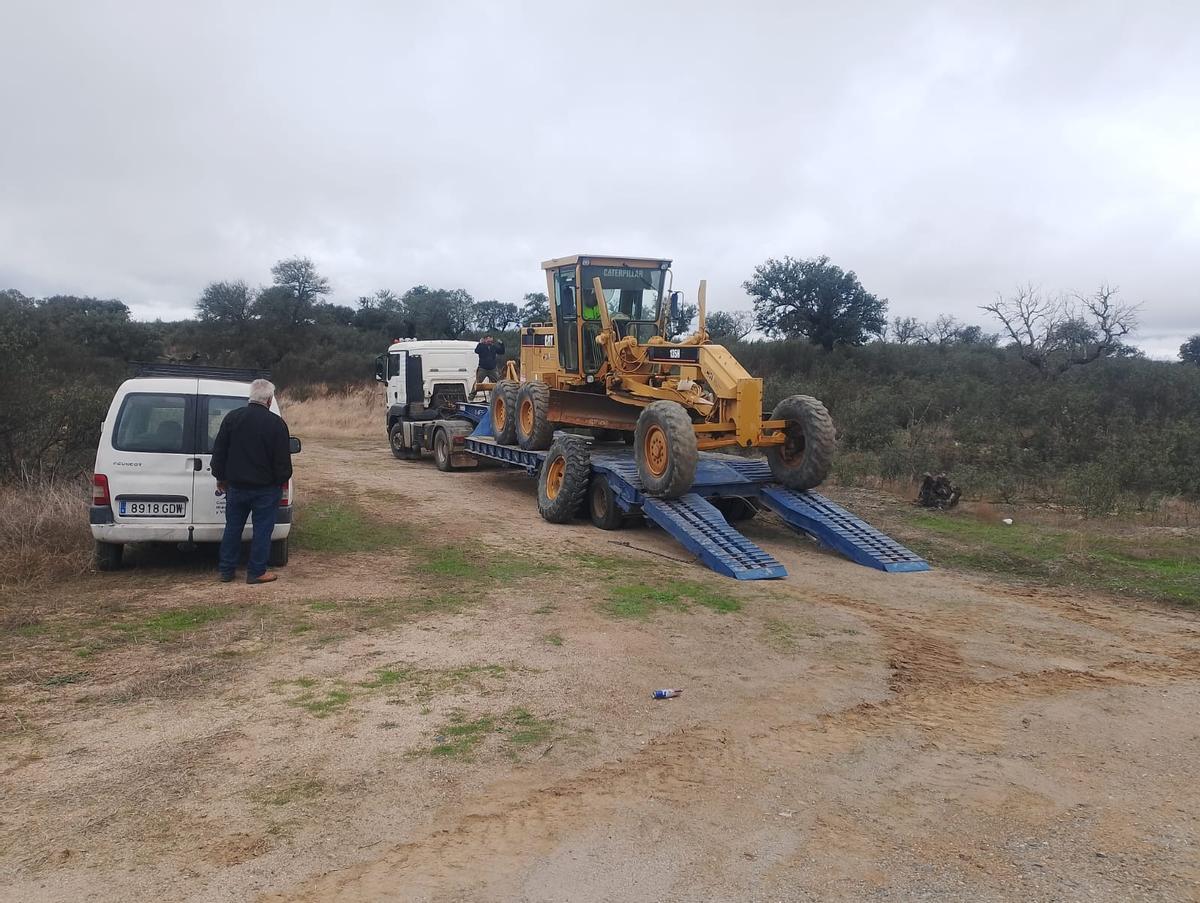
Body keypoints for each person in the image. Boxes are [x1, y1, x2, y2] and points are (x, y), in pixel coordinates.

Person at [212, 378, 294, 584]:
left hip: (236, 487)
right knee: (262, 531)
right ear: (269, 400)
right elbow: (283, 461)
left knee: (232, 528)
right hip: (266, 489)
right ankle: (256, 572)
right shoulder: (276, 424)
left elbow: (219, 452)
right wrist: (279, 481)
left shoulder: (232, 418)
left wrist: (220, 477)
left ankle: (226, 571)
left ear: (251, 396)